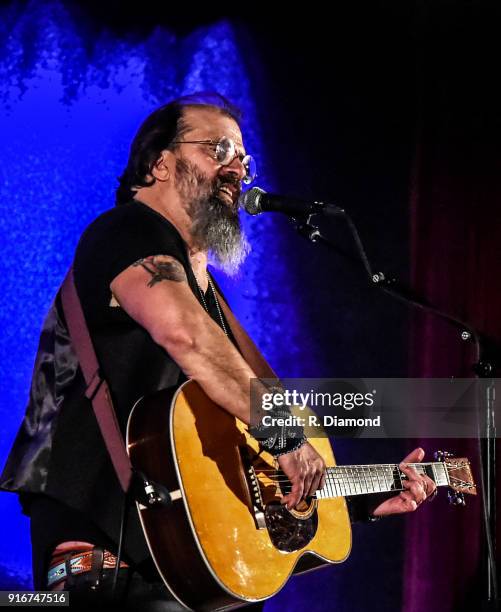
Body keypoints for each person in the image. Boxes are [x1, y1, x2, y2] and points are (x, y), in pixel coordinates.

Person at [0, 93, 436, 610]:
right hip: (114, 556)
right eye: (220, 149)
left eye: (244, 160)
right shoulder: (125, 233)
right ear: (160, 162)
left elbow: (243, 450)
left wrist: (353, 497)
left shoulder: (207, 292)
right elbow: (185, 335)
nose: (238, 169)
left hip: (184, 562)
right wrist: (288, 439)